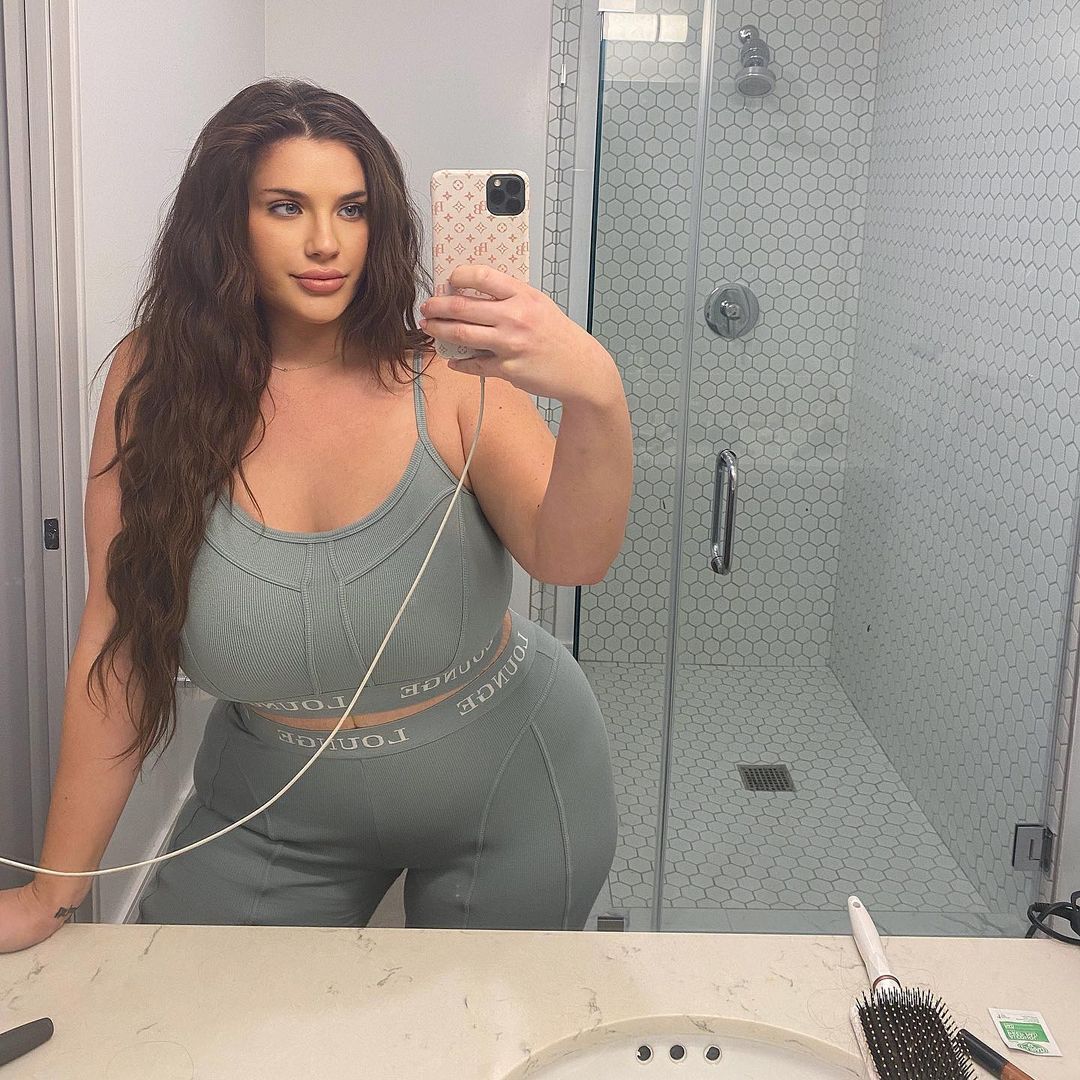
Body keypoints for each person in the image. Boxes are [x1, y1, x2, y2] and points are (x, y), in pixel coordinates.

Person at [0, 78, 633, 952]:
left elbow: (571, 559)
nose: (327, 242)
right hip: (271, 806)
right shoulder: (155, 386)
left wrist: (598, 393)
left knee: (485, 1025)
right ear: (225, 221)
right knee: (189, 1006)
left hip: (512, 782)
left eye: (353, 208)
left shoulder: (448, 372)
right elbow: (121, 641)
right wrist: (52, 893)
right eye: (287, 206)